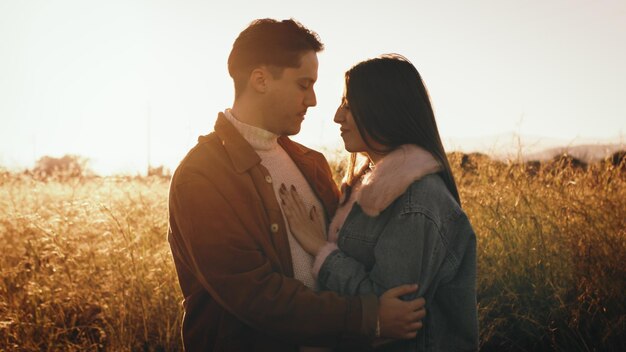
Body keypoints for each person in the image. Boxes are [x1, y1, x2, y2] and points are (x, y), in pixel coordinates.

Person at [167, 19, 427, 351]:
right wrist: (367, 317)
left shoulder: (310, 162)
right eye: (304, 84)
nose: (314, 100)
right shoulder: (201, 177)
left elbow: (342, 251)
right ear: (260, 80)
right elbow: (255, 296)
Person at [279, 55, 479, 351]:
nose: (337, 116)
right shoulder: (367, 186)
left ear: (382, 108)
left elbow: (392, 318)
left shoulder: (416, 200)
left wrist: (319, 249)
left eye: (348, 104)